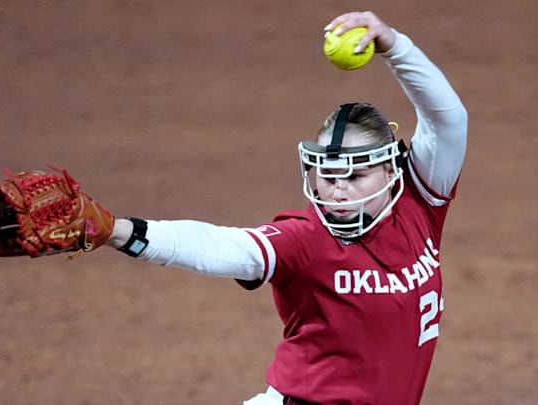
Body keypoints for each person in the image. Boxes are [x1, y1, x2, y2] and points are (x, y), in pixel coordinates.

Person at [106, 10, 467, 405]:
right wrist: (118, 231)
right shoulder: (307, 237)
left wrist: (394, 45)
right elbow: (224, 248)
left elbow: (448, 120)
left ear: (390, 171)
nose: (338, 193)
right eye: (328, 178)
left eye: (356, 177)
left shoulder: (420, 207)